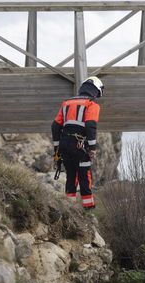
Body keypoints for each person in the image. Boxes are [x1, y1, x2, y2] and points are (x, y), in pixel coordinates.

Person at [51, 76, 103, 210]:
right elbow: (90, 125)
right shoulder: (92, 104)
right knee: (85, 176)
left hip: (64, 145)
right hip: (79, 146)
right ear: (95, 92)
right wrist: (92, 148)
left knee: (71, 176)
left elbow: (55, 126)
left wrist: (57, 148)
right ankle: (89, 210)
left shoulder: (66, 103)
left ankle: (70, 208)